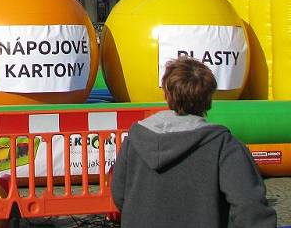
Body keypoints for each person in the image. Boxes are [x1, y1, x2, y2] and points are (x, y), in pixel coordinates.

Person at [111, 57, 275, 227]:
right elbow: (249, 207)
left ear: (166, 94)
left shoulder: (135, 139)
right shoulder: (223, 145)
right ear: (209, 99)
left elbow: (120, 195)